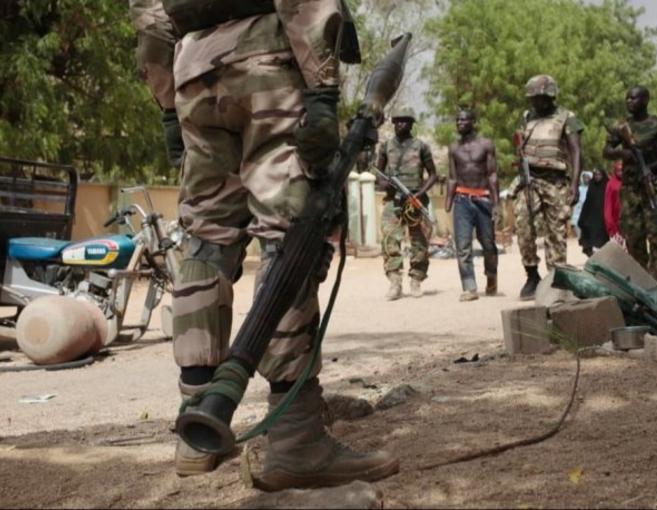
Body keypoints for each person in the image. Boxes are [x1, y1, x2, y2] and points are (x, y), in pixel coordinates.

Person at [128, 0, 399, 490]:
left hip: (193, 71)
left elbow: (149, 16)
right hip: (266, 58)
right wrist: (322, 93)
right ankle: (297, 441)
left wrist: (168, 106)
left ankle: (197, 431)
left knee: (205, 240)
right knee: (287, 236)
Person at [514, 75, 584, 300]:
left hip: (555, 181)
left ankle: (556, 278)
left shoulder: (567, 117)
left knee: (556, 233)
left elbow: (576, 151)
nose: (535, 102)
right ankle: (532, 275)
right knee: (523, 227)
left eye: (539, 98)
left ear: (550, 96)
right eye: (532, 98)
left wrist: (575, 184)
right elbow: (519, 145)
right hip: (529, 180)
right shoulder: (526, 117)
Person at [603, 85, 657, 283]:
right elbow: (607, 151)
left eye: (634, 98)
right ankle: (641, 278)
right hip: (630, 188)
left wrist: (651, 167)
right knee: (633, 234)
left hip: (652, 184)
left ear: (645, 100)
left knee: (656, 231)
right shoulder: (622, 126)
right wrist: (623, 153)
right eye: (627, 98)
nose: (629, 101)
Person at [376, 106, 438, 300]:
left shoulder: (421, 146)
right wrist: (385, 184)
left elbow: (433, 175)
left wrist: (420, 193)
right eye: (397, 121)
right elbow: (378, 173)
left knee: (420, 241)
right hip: (393, 200)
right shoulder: (386, 146)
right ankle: (395, 282)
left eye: (404, 121)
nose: (400, 124)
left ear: (411, 124)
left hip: (415, 199)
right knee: (389, 240)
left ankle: (416, 279)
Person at [445, 109, 499, 301]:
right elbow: (452, 177)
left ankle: (491, 276)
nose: (460, 123)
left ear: (473, 122)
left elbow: (492, 175)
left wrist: (496, 204)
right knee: (462, 246)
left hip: (483, 199)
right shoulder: (453, 148)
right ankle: (469, 287)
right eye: (457, 120)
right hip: (462, 200)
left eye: (464, 120)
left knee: (488, 245)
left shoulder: (486, 145)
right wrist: (448, 202)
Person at [577, 168, 609, 257]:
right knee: (590, 242)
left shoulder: (607, 186)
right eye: (595, 175)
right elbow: (587, 202)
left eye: (599, 175)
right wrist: (582, 218)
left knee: (602, 243)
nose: (597, 177)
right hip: (591, 219)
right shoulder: (592, 186)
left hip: (603, 219)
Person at [604, 160, 625, 247]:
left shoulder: (629, 183)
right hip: (616, 225)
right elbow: (608, 207)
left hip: (629, 224)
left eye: (622, 170)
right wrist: (612, 229)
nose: (621, 173)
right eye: (618, 170)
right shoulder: (611, 184)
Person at [571, 171, 591, 239]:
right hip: (578, 215)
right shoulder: (578, 189)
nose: (586, 179)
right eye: (584, 177)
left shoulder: (592, 189)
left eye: (588, 177)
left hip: (589, 217)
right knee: (580, 237)